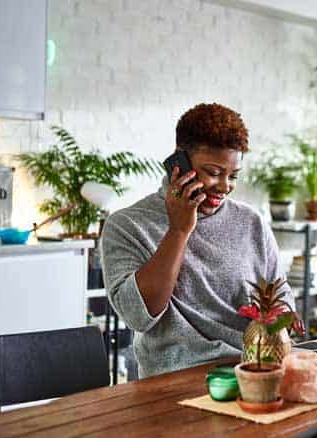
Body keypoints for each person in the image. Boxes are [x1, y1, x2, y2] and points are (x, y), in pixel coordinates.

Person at [101, 103, 297, 378]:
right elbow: (138, 316)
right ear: (179, 164)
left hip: (254, 370)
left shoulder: (250, 222)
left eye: (233, 176)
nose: (225, 186)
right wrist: (179, 230)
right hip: (175, 382)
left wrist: (278, 324)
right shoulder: (127, 225)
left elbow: (282, 294)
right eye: (214, 173)